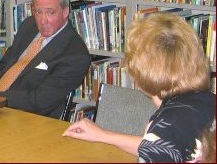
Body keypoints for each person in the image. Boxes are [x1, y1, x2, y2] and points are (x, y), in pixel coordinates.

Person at [63, 12, 216, 162]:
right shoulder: (209, 101)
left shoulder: (164, 125)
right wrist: (103, 136)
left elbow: (161, 144)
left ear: (141, 75)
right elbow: (166, 146)